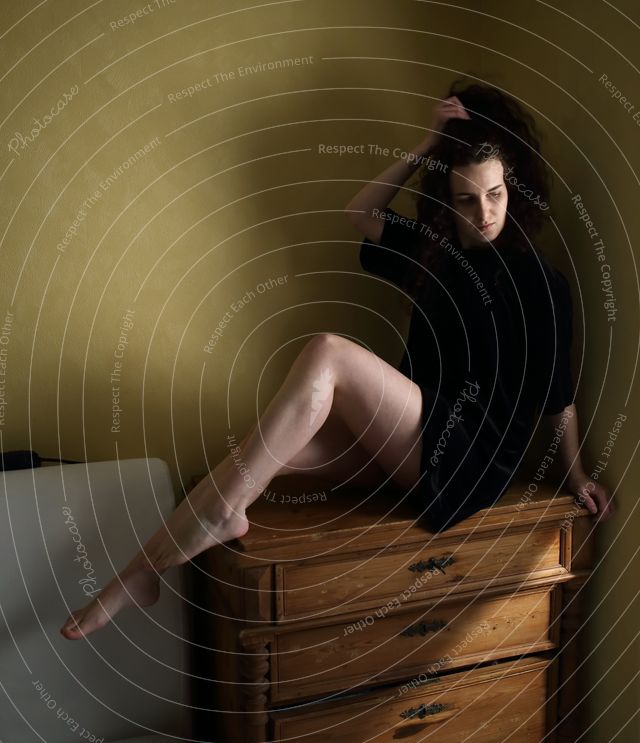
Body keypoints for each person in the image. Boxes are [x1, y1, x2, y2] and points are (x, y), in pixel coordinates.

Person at [61, 82, 614, 641]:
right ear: (447, 198)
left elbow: (557, 393)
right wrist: (426, 146)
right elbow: (361, 211)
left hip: (472, 458)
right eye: (467, 199)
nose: (485, 213)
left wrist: (577, 475)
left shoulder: (541, 284)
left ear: (513, 187)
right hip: (415, 440)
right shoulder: (433, 251)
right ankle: (140, 574)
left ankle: (191, 536)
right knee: (254, 461)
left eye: (495, 194)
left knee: (327, 352)